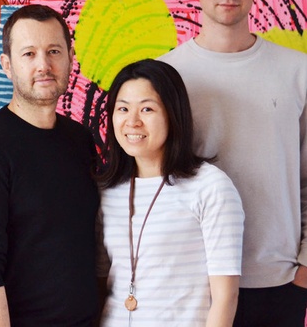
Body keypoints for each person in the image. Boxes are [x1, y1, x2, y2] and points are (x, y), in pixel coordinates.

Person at [159, 0, 307, 326]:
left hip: (278, 280)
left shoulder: (297, 72)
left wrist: (304, 269)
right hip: (190, 279)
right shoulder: (165, 76)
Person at [0, 4, 100, 326]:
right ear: (7, 65)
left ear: (70, 58)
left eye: (54, 51)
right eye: (29, 54)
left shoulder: (80, 140)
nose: (43, 65)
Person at [98, 59, 244, 326]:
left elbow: (225, 298)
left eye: (147, 109)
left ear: (172, 114)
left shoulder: (210, 187)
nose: (133, 121)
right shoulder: (107, 191)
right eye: (123, 109)